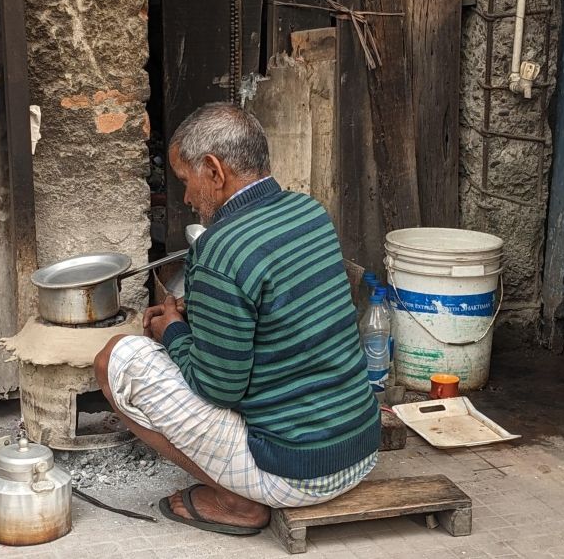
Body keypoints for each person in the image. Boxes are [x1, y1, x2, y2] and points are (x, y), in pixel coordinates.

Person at [93, 102, 379, 535]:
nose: (187, 198)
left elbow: (218, 388)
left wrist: (171, 331)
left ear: (213, 170)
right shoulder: (309, 211)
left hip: (297, 474)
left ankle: (236, 502)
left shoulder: (221, 249)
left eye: (186, 181)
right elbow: (280, 317)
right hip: (359, 453)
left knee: (115, 357)